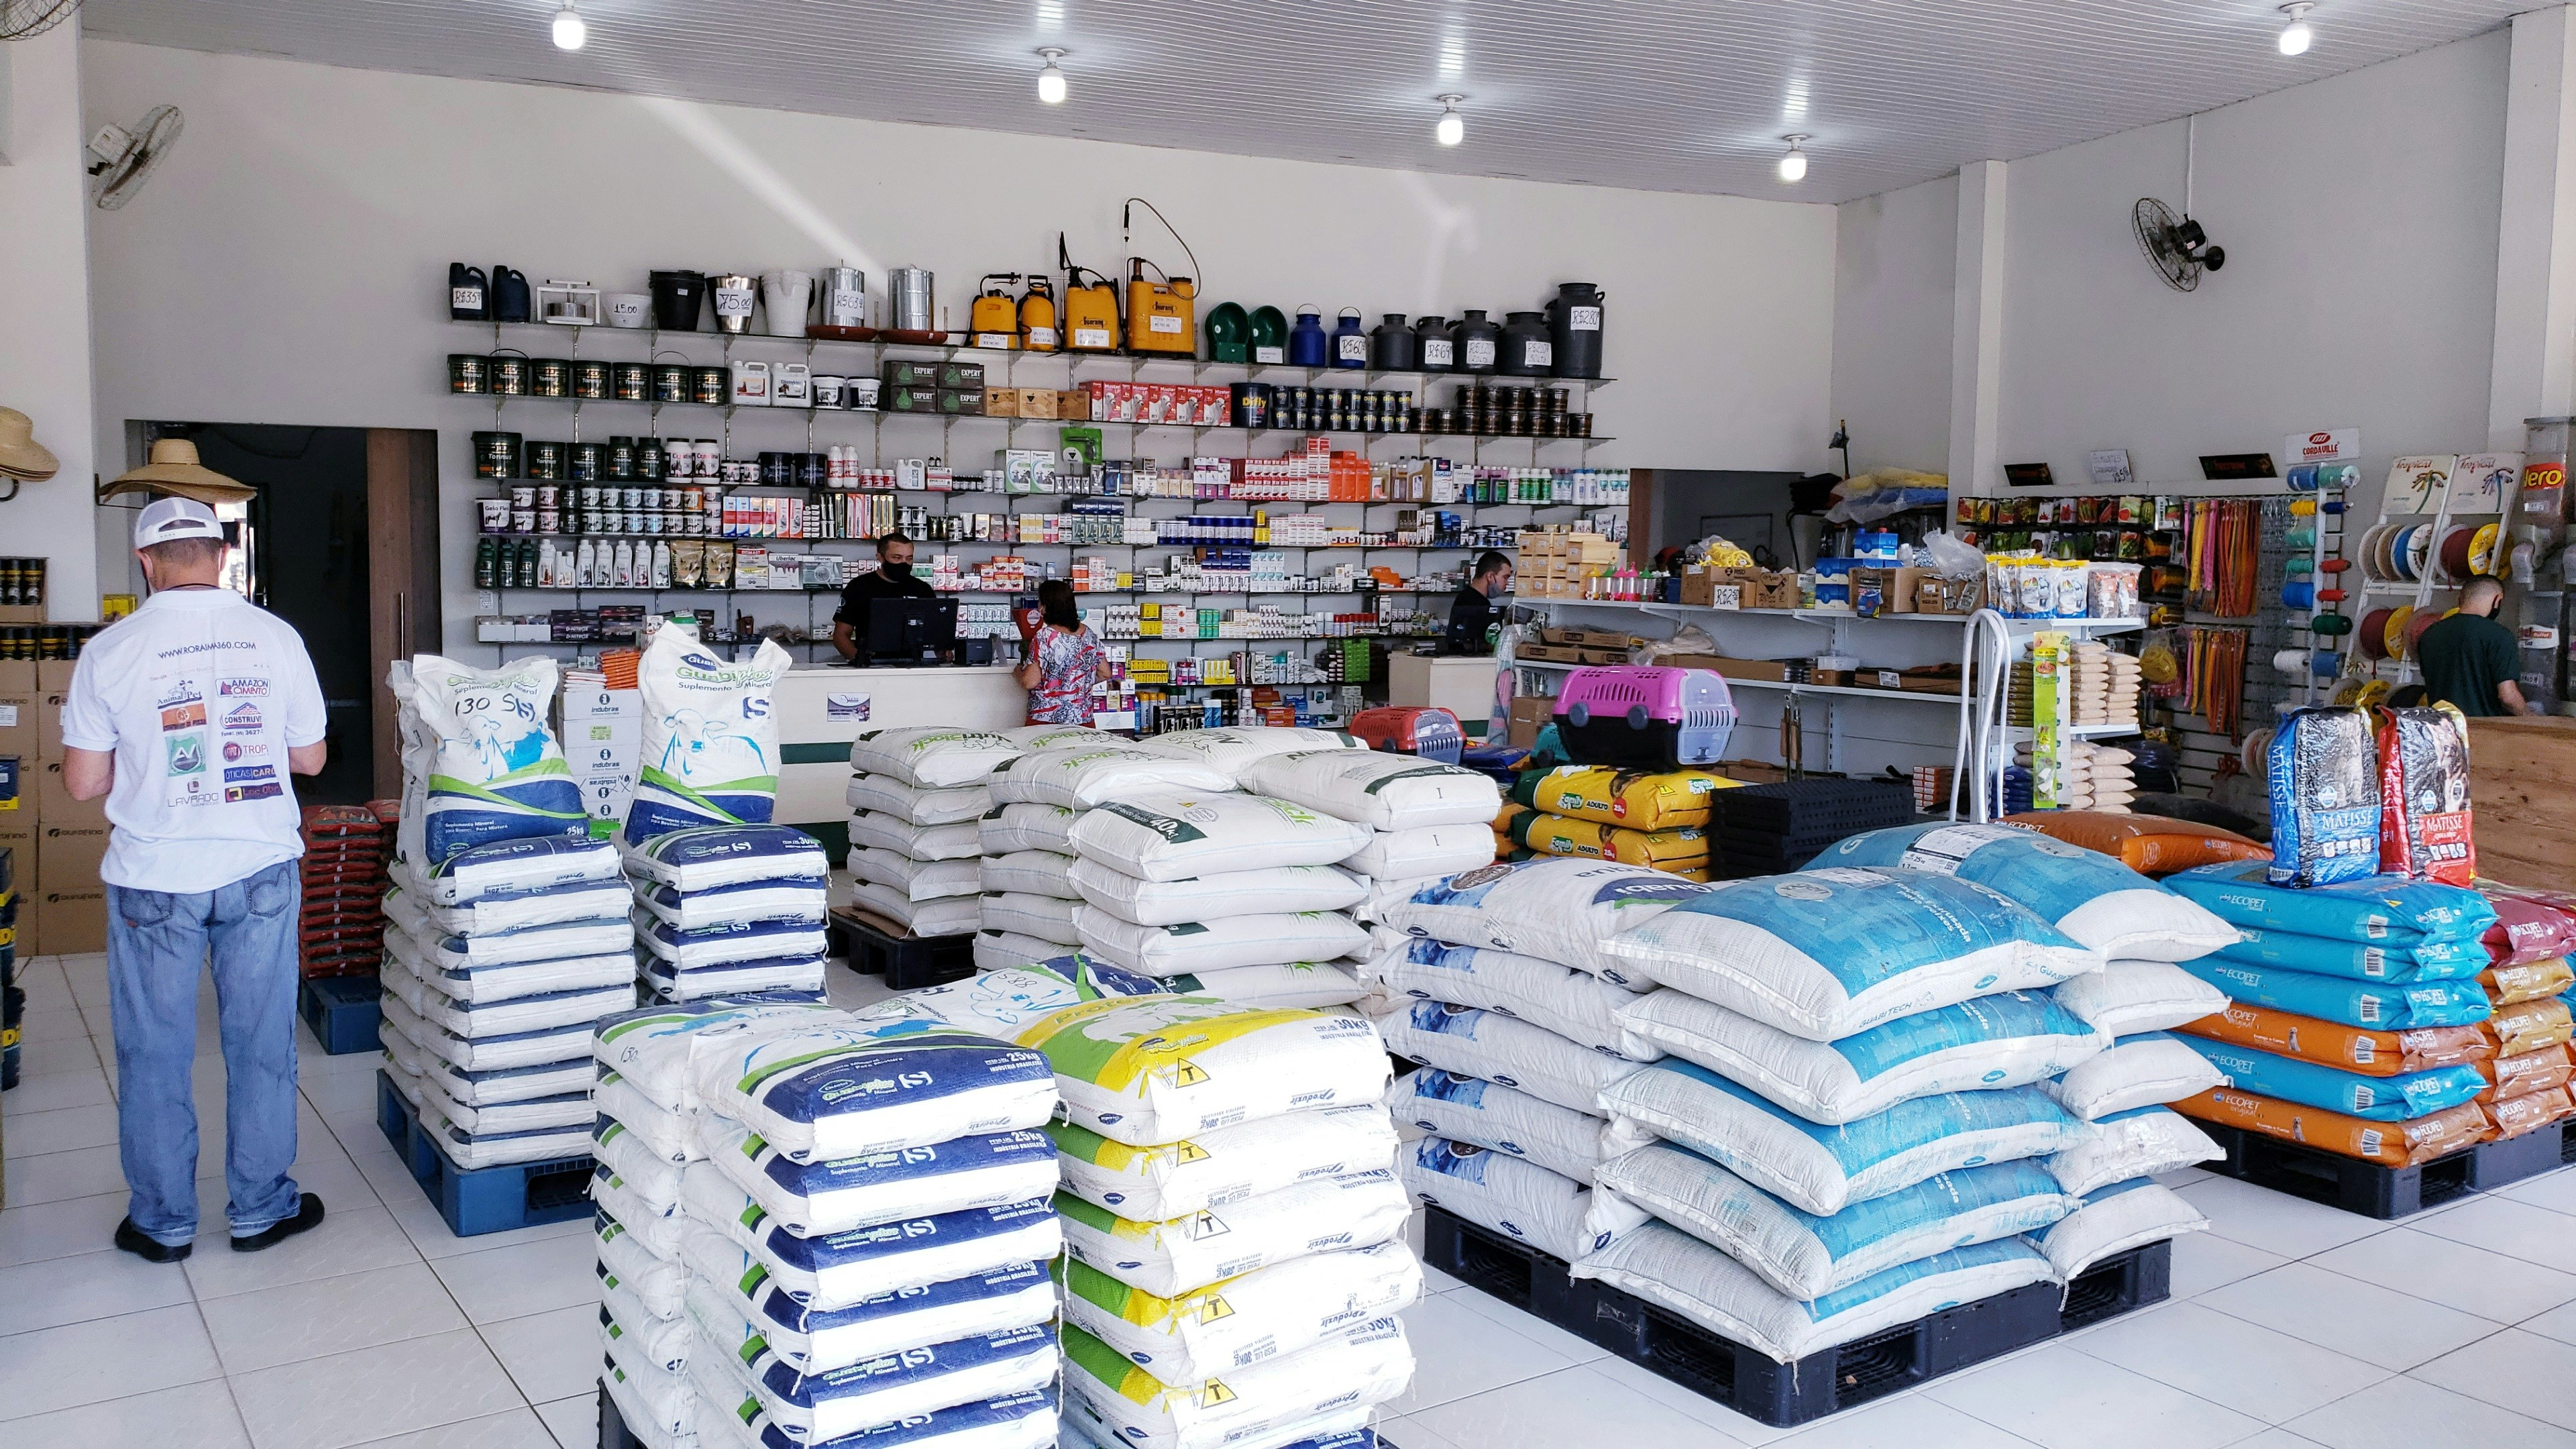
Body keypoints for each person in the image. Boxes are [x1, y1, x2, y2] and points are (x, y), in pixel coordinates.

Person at [62, 497, 331, 1262]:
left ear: (146, 563)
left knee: (154, 1050)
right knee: (261, 1042)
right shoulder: (276, 637)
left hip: (154, 875)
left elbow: (82, 784)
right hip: (258, 868)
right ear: (221, 555)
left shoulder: (110, 650)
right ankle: (261, 1210)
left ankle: (162, 1223)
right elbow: (310, 759)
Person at [2415, 576, 2536, 716]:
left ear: (2460, 600)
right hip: (2483, 727)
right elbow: (2508, 696)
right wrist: (2529, 717)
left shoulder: (2429, 635)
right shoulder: (2499, 635)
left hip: (2442, 726)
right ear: (2497, 600)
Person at [1015, 579, 1110, 724]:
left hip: (1046, 722)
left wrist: (1018, 673)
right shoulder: (1089, 635)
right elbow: (1105, 673)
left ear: (1046, 607)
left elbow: (1030, 682)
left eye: (1040, 602)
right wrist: (1077, 683)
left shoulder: (1044, 637)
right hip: (1083, 721)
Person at [830, 533, 935, 663]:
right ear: (880, 558)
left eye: (909, 559)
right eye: (897, 558)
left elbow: (936, 632)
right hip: (871, 666)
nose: (904, 563)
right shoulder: (859, 587)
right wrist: (859, 659)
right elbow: (841, 636)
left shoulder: (923, 589)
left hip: (915, 666)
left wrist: (943, 652)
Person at [1442, 550, 1513, 655]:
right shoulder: (1476, 604)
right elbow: (1484, 643)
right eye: (1505, 577)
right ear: (1490, 577)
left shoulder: (1468, 597)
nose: (1507, 583)